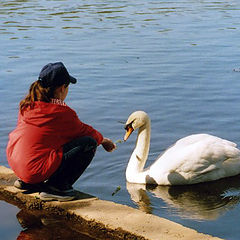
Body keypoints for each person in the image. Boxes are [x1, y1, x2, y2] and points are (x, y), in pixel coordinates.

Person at [6, 62, 116, 201]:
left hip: (17, 165)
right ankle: (57, 188)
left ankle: (28, 182)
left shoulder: (28, 106)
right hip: (34, 170)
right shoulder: (61, 112)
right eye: (67, 87)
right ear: (62, 88)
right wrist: (103, 140)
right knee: (89, 143)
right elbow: (85, 132)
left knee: (44, 145)